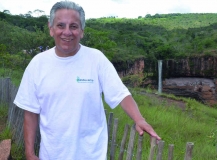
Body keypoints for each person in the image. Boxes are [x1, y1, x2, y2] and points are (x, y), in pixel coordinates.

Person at [13, 1, 161, 159]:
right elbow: (30, 112)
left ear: (82, 31)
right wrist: (29, 153)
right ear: (51, 29)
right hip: (51, 154)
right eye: (61, 25)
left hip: (91, 154)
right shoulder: (38, 64)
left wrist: (139, 119)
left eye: (74, 26)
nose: (67, 32)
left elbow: (120, 94)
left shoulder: (96, 59)